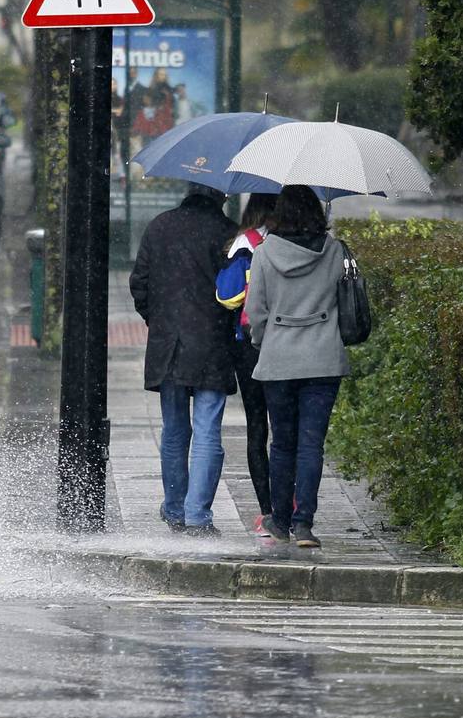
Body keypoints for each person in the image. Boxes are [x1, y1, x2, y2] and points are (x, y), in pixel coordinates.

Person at [244, 184, 350, 549]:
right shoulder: (334, 251)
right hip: (323, 360)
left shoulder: (264, 253)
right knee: (311, 445)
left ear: (279, 212)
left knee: (282, 444)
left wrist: (264, 341)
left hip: (279, 360)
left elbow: (255, 311)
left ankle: (280, 521)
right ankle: (304, 525)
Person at [130, 182, 238, 536]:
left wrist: (157, 319)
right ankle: (198, 516)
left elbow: (139, 283)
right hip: (211, 344)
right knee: (208, 431)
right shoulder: (227, 233)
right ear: (220, 195)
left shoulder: (159, 226)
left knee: (175, 430)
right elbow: (236, 291)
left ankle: (175, 508)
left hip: (168, 344)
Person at [214, 193, 279, 537]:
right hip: (284, 343)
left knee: (258, 426)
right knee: (287, 427)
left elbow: (227, 296)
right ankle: (292, 505)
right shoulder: (290, 241)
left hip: (249, 346)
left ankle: (266, 511)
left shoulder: (244, 243)